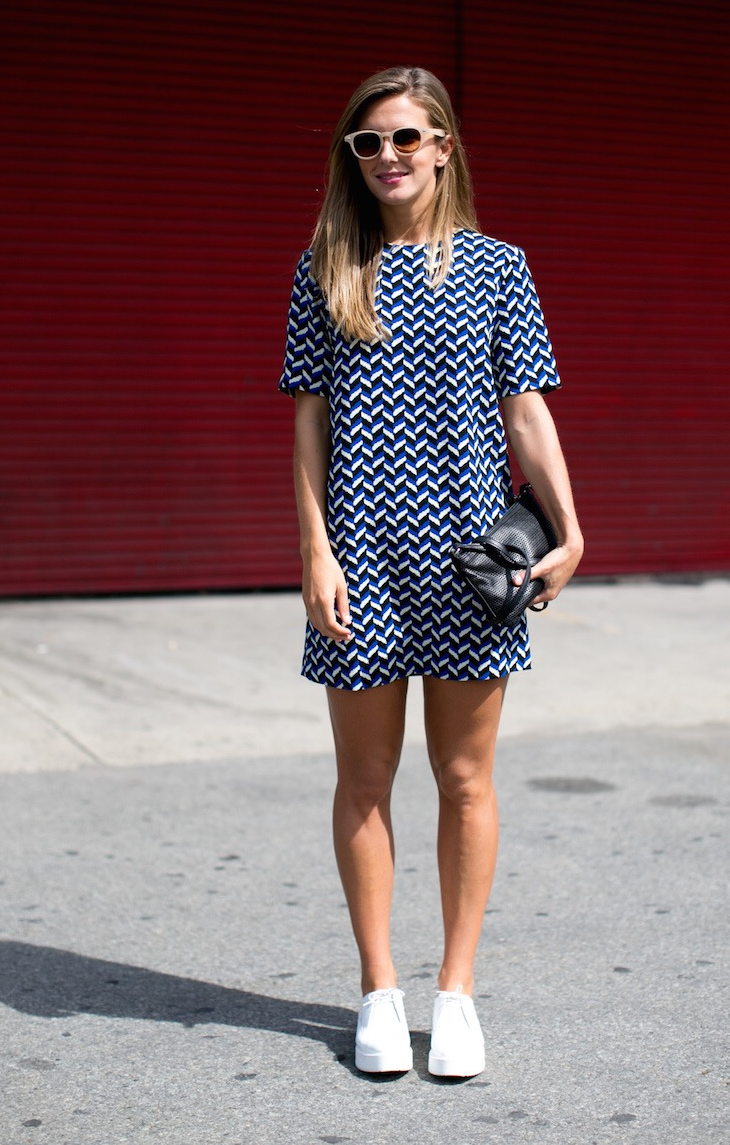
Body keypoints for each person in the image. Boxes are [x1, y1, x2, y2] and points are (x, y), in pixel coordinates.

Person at [279, 66, 583, 1078]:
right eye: (367, 142)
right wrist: (315, 548)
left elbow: (526, 411)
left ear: (443, 147)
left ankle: (455, 992)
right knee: (365, 778)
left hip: (471, 557)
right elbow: (310, 423)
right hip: (360, 553)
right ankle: (379, 987)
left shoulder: (499, 269)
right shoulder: (327, 268)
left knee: (463, 777)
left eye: (406, 137)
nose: (388, 157)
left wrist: (570, 526)